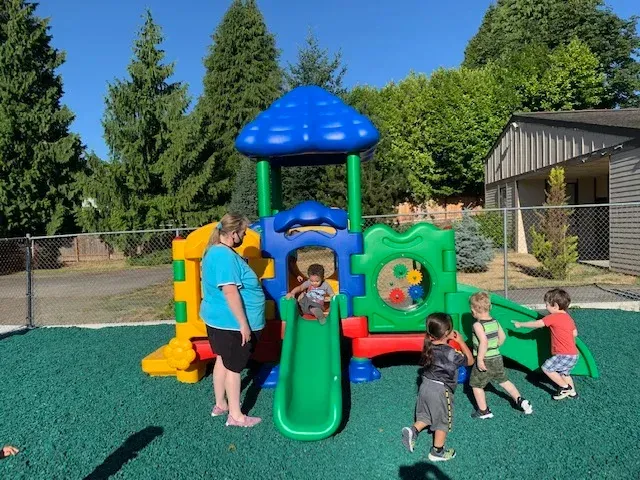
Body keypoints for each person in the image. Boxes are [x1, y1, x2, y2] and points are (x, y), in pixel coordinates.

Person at [200, 213, 265, 428]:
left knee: (222, 360)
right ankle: (236, 416)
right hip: (231, 323)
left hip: (218, 321)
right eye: (243, 233)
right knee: (234, 368)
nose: (245, 236)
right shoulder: (224, 256)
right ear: (234, 233)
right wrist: (243, 324)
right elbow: (230, 292)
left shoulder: (214, 251)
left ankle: (221, 404)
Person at [401, 313, 474, 462]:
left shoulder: (428, 346)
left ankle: (413, 430)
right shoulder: (451, 353)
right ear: (447, 332)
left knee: (426, 415)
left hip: (425, 385)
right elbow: (470, 361)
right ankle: (437, 452)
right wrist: (460, 341)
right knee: (442, 421)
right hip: (440, 390)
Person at [468, 292, 533, 419]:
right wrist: (495, 346)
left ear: (473, 310)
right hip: (497, 357)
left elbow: (484, 342)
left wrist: (480, 359)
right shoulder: (494, 322)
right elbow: (502, 337)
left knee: (476, 385)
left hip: (485, 358)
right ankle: (520, 400)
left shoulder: (477, 325)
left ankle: (484, 411)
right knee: (504, 381)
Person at [512, 288, 579, 400]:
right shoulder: (568, 318)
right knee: (564, 374)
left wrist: (521, 324)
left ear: (556, 306)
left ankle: (564, 387)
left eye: (547, 305)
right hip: (573, 354)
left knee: (547, 368)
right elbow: (575, 333)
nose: (546, 307)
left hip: (563, 354)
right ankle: (572, 392)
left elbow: (538, 324)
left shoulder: (553, 317)